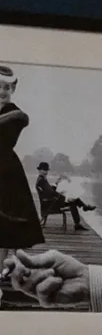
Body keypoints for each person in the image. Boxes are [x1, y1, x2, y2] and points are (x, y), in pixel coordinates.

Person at [0, 68, 41, 249]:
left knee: (10, 219)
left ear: (13, 90)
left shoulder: (14, 114)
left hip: (6, 168)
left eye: (7, 88)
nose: (2, 92)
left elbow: (17, 125)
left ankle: (10, 267)